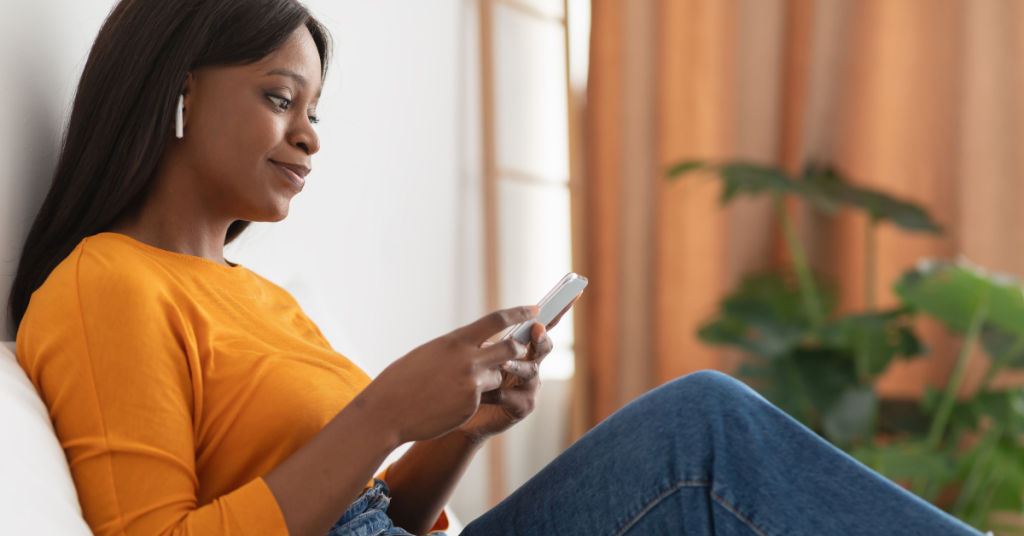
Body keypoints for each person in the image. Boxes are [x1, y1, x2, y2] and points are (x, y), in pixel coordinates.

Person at [8, 1, 986, 535]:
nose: (309, 135)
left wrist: (460, 430)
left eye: (315, 109)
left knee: (705, 434)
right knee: (702, 429)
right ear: (177, 89)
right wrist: (384, 411)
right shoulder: (106, 284)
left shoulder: (260, 298)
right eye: (279, 97)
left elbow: (368, 514)